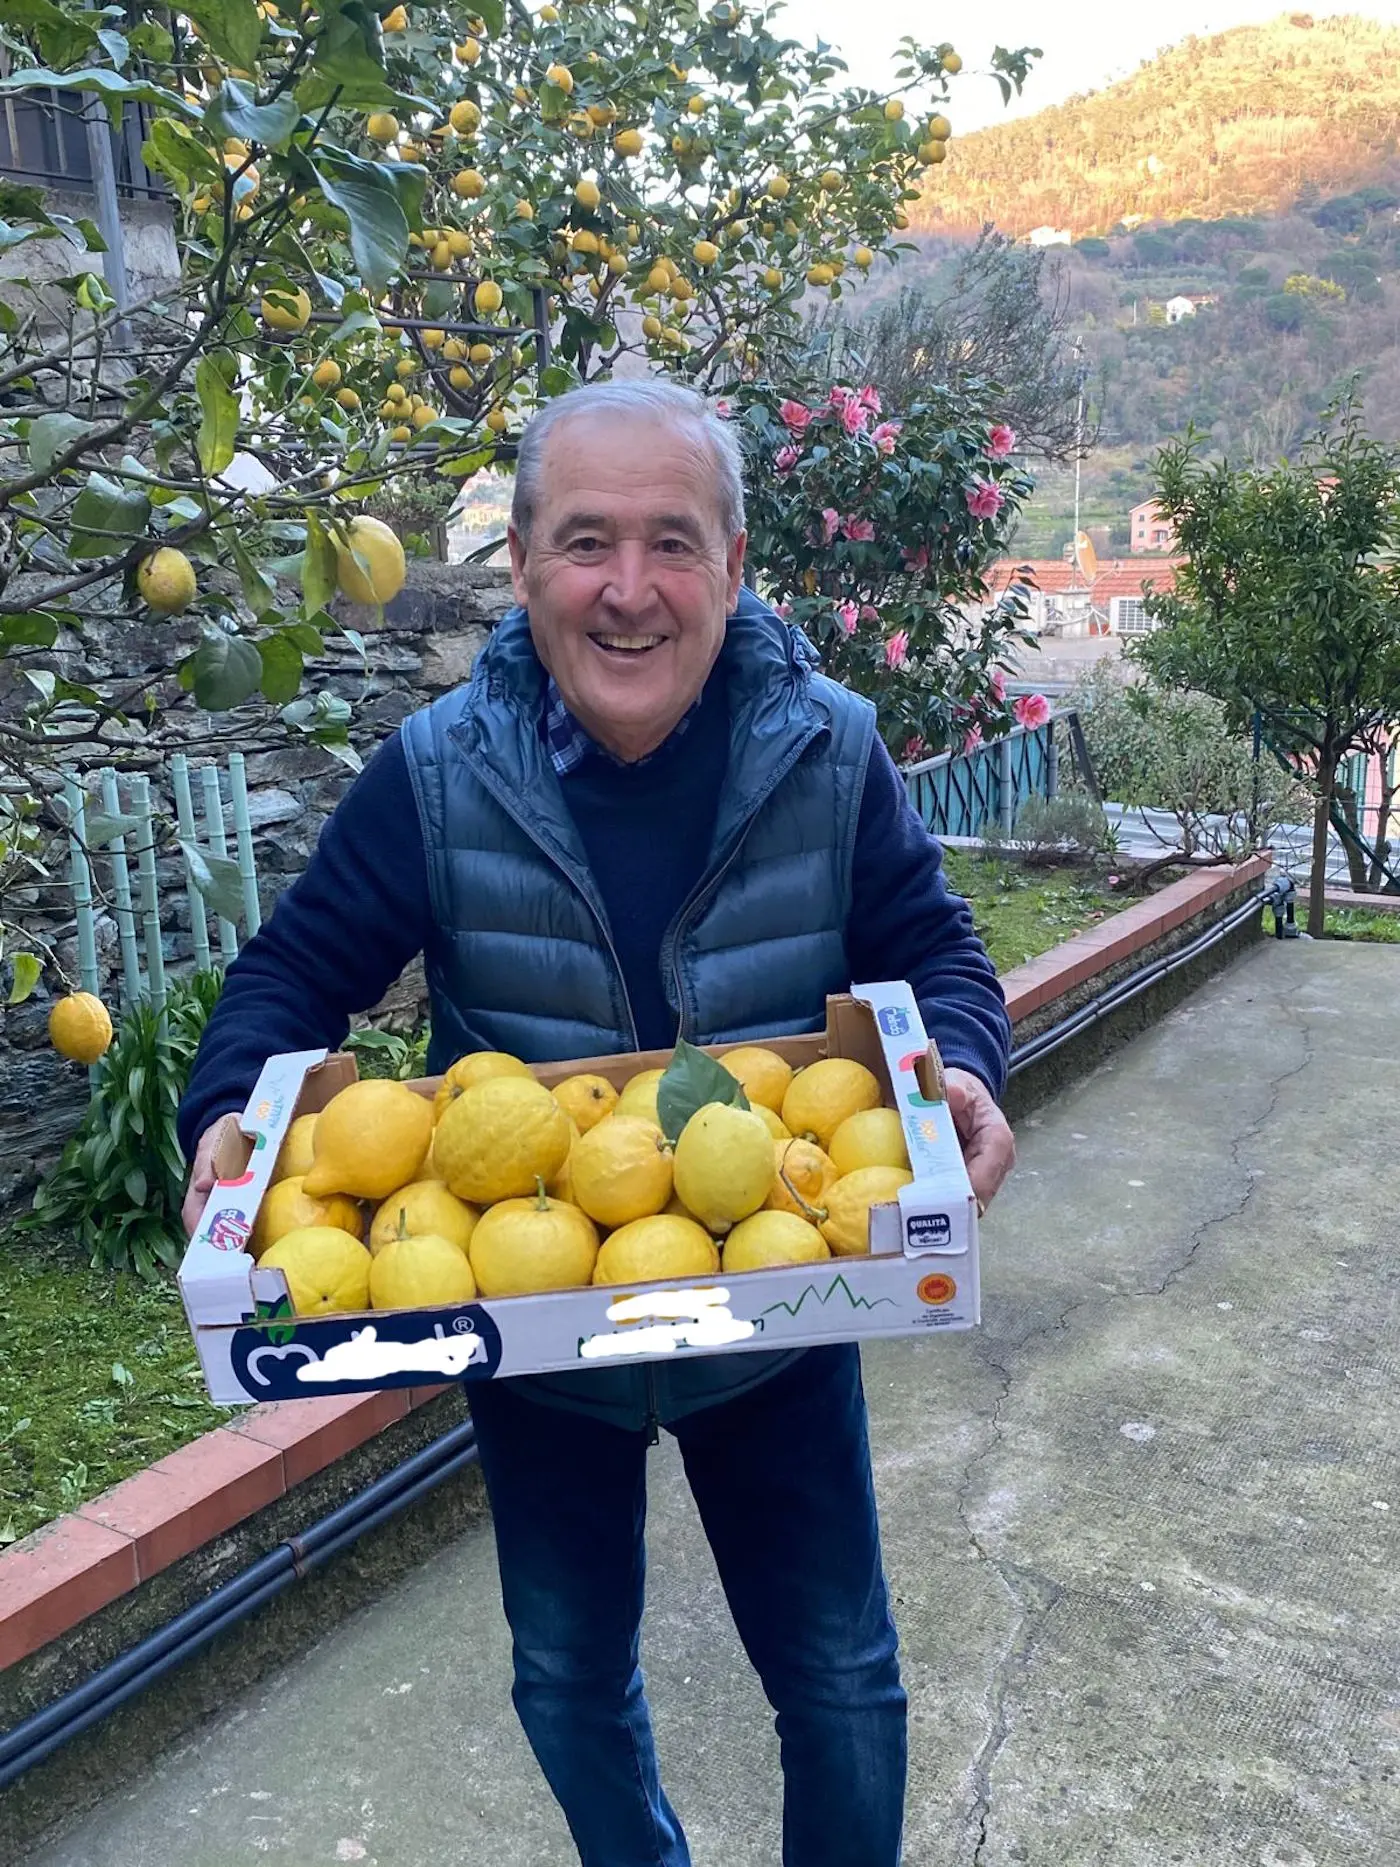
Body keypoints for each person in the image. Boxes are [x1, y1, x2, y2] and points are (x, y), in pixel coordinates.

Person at [179, 379, 1016, 1866]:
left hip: (776, 1315)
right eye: (585, 542)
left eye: (672, 543)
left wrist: (960, 1064)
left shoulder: (829, 749)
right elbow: (292, 976)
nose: (628, 591)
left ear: (738, 562)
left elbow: (933, 950)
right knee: (567, 1686)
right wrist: (227, 1123)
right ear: (520, 564)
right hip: (533, 1327)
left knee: (840, 1683)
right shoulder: (438, 774)